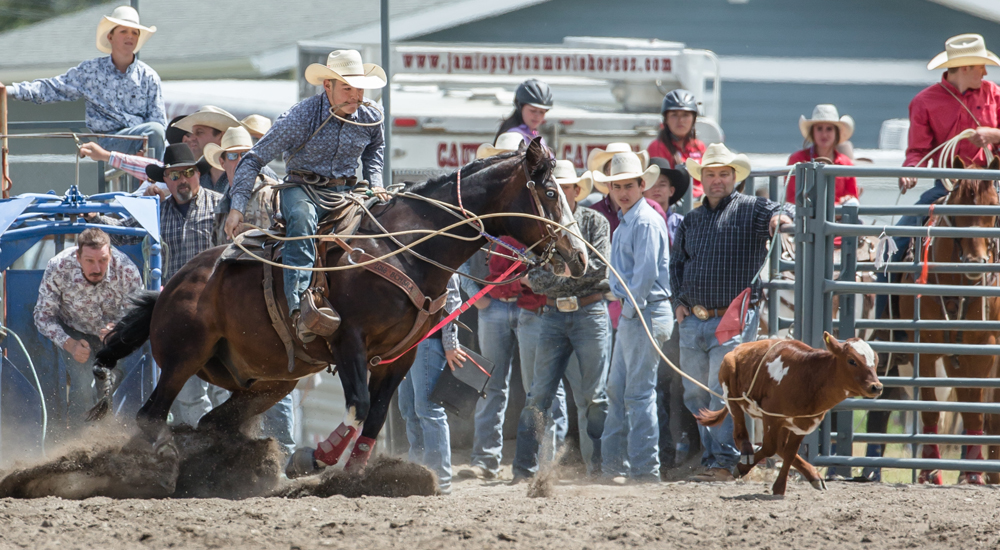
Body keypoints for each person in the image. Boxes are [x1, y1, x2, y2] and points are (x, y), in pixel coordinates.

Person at [224, 50, 388, 344]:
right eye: (347, 88)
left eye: (359, 88)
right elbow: (252, 159)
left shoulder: (371, 116)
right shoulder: (301, 117)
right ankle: (300, 310)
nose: (355, 95)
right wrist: (237, 208)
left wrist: (376, 182)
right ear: (328, 86)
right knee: (301, 220)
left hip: (348, 192)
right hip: (303, 190)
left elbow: (375, 150)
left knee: (385, 219)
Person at [670, 143, 793, 482]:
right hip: (693, 318)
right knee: (694, 390)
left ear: (734, 177)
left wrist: (778, 220)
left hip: (732, 317)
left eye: (723, 174)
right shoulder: (691, 220)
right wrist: (679, 303)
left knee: (718, 389)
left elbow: (782, 209)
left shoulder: (751, 209)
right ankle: (717, 457)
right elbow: (676, 264)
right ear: (702, 179)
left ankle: (723, 461)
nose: (716, 180)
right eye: (710, 174)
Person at [512, 161, 611, 481]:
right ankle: (523, 470)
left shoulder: (594, 222)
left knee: (594, 397)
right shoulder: (541, 227)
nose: (565, 194)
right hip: (556, 313)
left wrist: (556, 273)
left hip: (586, 313)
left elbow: (599, 270)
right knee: (538, 395)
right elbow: (532, 279)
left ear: (576, 191)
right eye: (560, 189)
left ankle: (597, 466)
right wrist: (571, 272)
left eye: (568, 188)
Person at [591, 152, 670, 483]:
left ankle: (642, 470)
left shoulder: (643, 221)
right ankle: (616, 466)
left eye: (629, 185)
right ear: (610, 189)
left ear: (642, 185)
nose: (623, 192)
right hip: (637, 311)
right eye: (617, 186)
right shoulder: (629, 221)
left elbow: (646, 273)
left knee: (636, 393)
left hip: (644, 310)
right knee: (619, 389)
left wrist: (630, 305)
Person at [0, 6, 165, 159]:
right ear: (110, 37)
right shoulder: (91, 71)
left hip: (141, 146)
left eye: (135, 33)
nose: (130, 36)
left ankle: (152, 185)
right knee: (153, 133)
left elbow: (158, 122)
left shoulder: (149, 77)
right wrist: (9, 90)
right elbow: (52, 88)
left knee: (155, 133)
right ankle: (150, 182)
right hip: (107, 143)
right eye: (124, 31)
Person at [33, 228, 142, 436]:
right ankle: (77, 443)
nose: (97, 268)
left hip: (116, 334)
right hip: (74, 331)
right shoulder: (59, 266)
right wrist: (69, 343)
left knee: (118, 384)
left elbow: (139, 312)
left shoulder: (126, 269)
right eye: (90, 261)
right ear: (78, 257)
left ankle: (116, 440)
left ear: (110, 254)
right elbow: (42, 316)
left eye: (102, 260)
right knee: (82, 384)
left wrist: (119, 329)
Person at [644, 158, 700, 470]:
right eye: (651, 183)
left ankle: (686, 451)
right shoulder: (635, 220)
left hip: (676, 311)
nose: (656, 189)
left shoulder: (681, 223)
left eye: (662, 183)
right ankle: (663, 453)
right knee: (655, 385)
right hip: (649, 310)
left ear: (671, 190)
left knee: (681, 385)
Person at [396, 275, 467, 494]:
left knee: (427, 409)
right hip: (408, 341)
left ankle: (439, 480)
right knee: (410, 409)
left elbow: (452, 298)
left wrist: (450, 343)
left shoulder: (436, 249)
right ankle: (419, 475)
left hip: (428, 340)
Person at [203, 126, 279, 244]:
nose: (240, 161)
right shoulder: (220, 207)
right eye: (232, 156)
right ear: (222, 162)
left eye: (244, 155)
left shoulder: (272, 194)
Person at [784, 105, 859, 206]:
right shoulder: (797, 160)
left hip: (839, 220)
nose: (824, 134)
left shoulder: (846, 163)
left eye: (829, 129)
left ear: (836, 132)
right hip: (805, 219)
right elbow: (791, 199)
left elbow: (853, 199)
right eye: (819, 128)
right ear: (812, 132)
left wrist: (844, 202)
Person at [645, 89, 706, 199]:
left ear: (693, 119)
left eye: (685, 115)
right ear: (666, 119)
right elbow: (658, 186)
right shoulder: (657, 147)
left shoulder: (700, 147)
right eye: (674, 115)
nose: (680, 120)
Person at [172, 106, 245, 194]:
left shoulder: (248, 170)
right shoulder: (196, 176)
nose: (192, 138)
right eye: (192, 133)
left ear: (221, 137)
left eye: (199, 132)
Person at [496, 79, 553, 146]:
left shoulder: (535, 135)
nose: (537, 116)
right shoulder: (512, 137)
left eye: (542, 112)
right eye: (533, 111)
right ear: (520, 107)